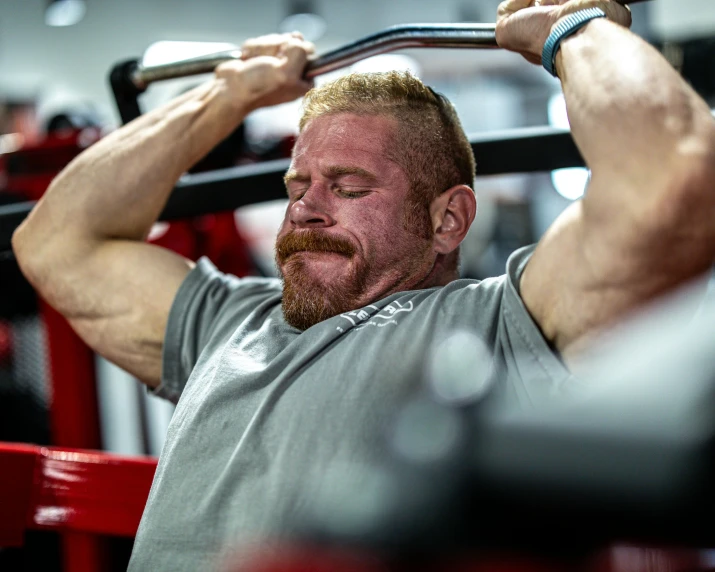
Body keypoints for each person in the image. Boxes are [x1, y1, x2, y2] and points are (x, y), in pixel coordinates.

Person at [11, 0, 715, 569]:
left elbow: (670, 180)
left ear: (448, 219)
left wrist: (573, 30)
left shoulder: (506, 318)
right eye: (297, 185)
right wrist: (228, 94)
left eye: (347, 186)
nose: (305, 208)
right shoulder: (227, 320)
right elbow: (53, 241)